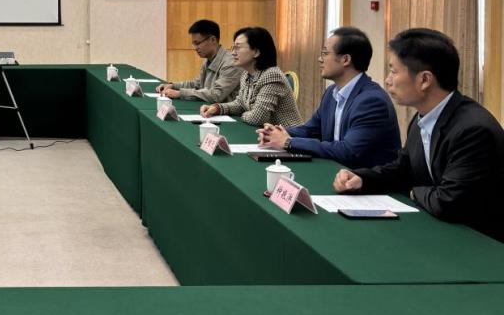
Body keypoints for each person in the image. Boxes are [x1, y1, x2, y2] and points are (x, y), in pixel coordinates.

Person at [333, 28, 504, 242]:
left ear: (424, 80)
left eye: (394, 71)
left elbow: (449, 202)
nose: (387, 80)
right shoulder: (422, 117)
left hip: (483, 242)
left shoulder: (473, 130)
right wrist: (362, 178)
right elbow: (403, 169)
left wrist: (412, 192)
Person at [257, 27, 399, 167]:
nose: (320, 59)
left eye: (325, 53)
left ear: (345, 59)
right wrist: (277, 133)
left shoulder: (371, 101)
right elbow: (312, 130)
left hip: (362, 178)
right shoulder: (332, 92)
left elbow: (348, 151)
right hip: (336, 171)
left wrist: (288, 142)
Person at [200, 26, 303, 128]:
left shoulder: (272, 75)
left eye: (238, 48)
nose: (233, 53)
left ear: (256, 52)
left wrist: (243, 114)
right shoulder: (246, 74)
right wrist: (217, 108)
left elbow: (258, 118)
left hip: (288, 134)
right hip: (265, 132)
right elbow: (240, 104)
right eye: (233, 48)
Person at [156, 19, 241, 103]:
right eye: (194, 44)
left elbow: (216, 95)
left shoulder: (231, 62)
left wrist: (180, 93)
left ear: (213, 40)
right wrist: (173, 86)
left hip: (225, 111)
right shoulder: (209, 59)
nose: (195, 48)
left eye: (198, 43)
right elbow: (197, 85)